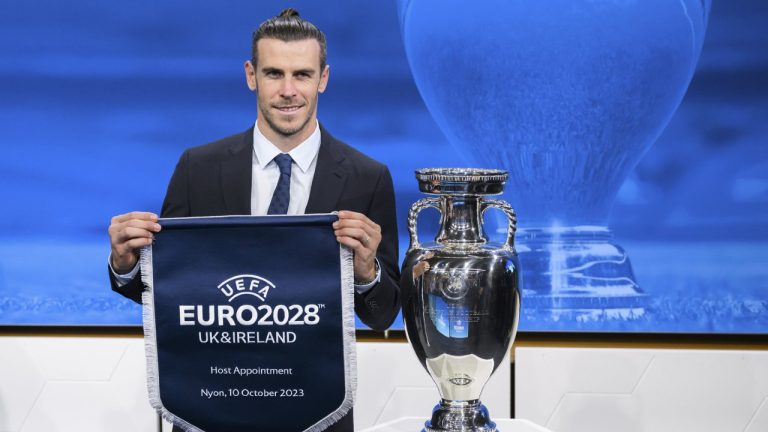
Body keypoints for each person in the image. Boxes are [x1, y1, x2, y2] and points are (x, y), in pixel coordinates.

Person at [107, 9, 400, 430]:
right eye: (273, 73)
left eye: (301, 74)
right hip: (209, 408)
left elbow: (383, 314)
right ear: (251, 75)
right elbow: (166, 297)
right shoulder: (198, 168)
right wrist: (125, 264)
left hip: (317, 413)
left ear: (323, 79)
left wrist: (368, 271)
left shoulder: (366, 177)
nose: (287, 91)